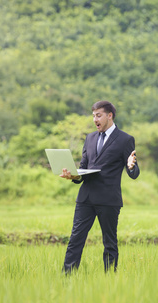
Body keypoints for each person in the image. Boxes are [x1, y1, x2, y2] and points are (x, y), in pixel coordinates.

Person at [60, 100, 139, 273]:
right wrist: (73, 175)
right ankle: (67, 278)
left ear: (109, 116)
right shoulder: (90, 138)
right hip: (86, 198)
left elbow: (133, 173)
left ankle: (109, 279)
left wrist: (131, 166)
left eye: (99, 115)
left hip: (108, 200)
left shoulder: (125, 139)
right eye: (93, 116)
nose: (95, 119)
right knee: (75, 240)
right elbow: (84, 168)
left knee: (109, 242)